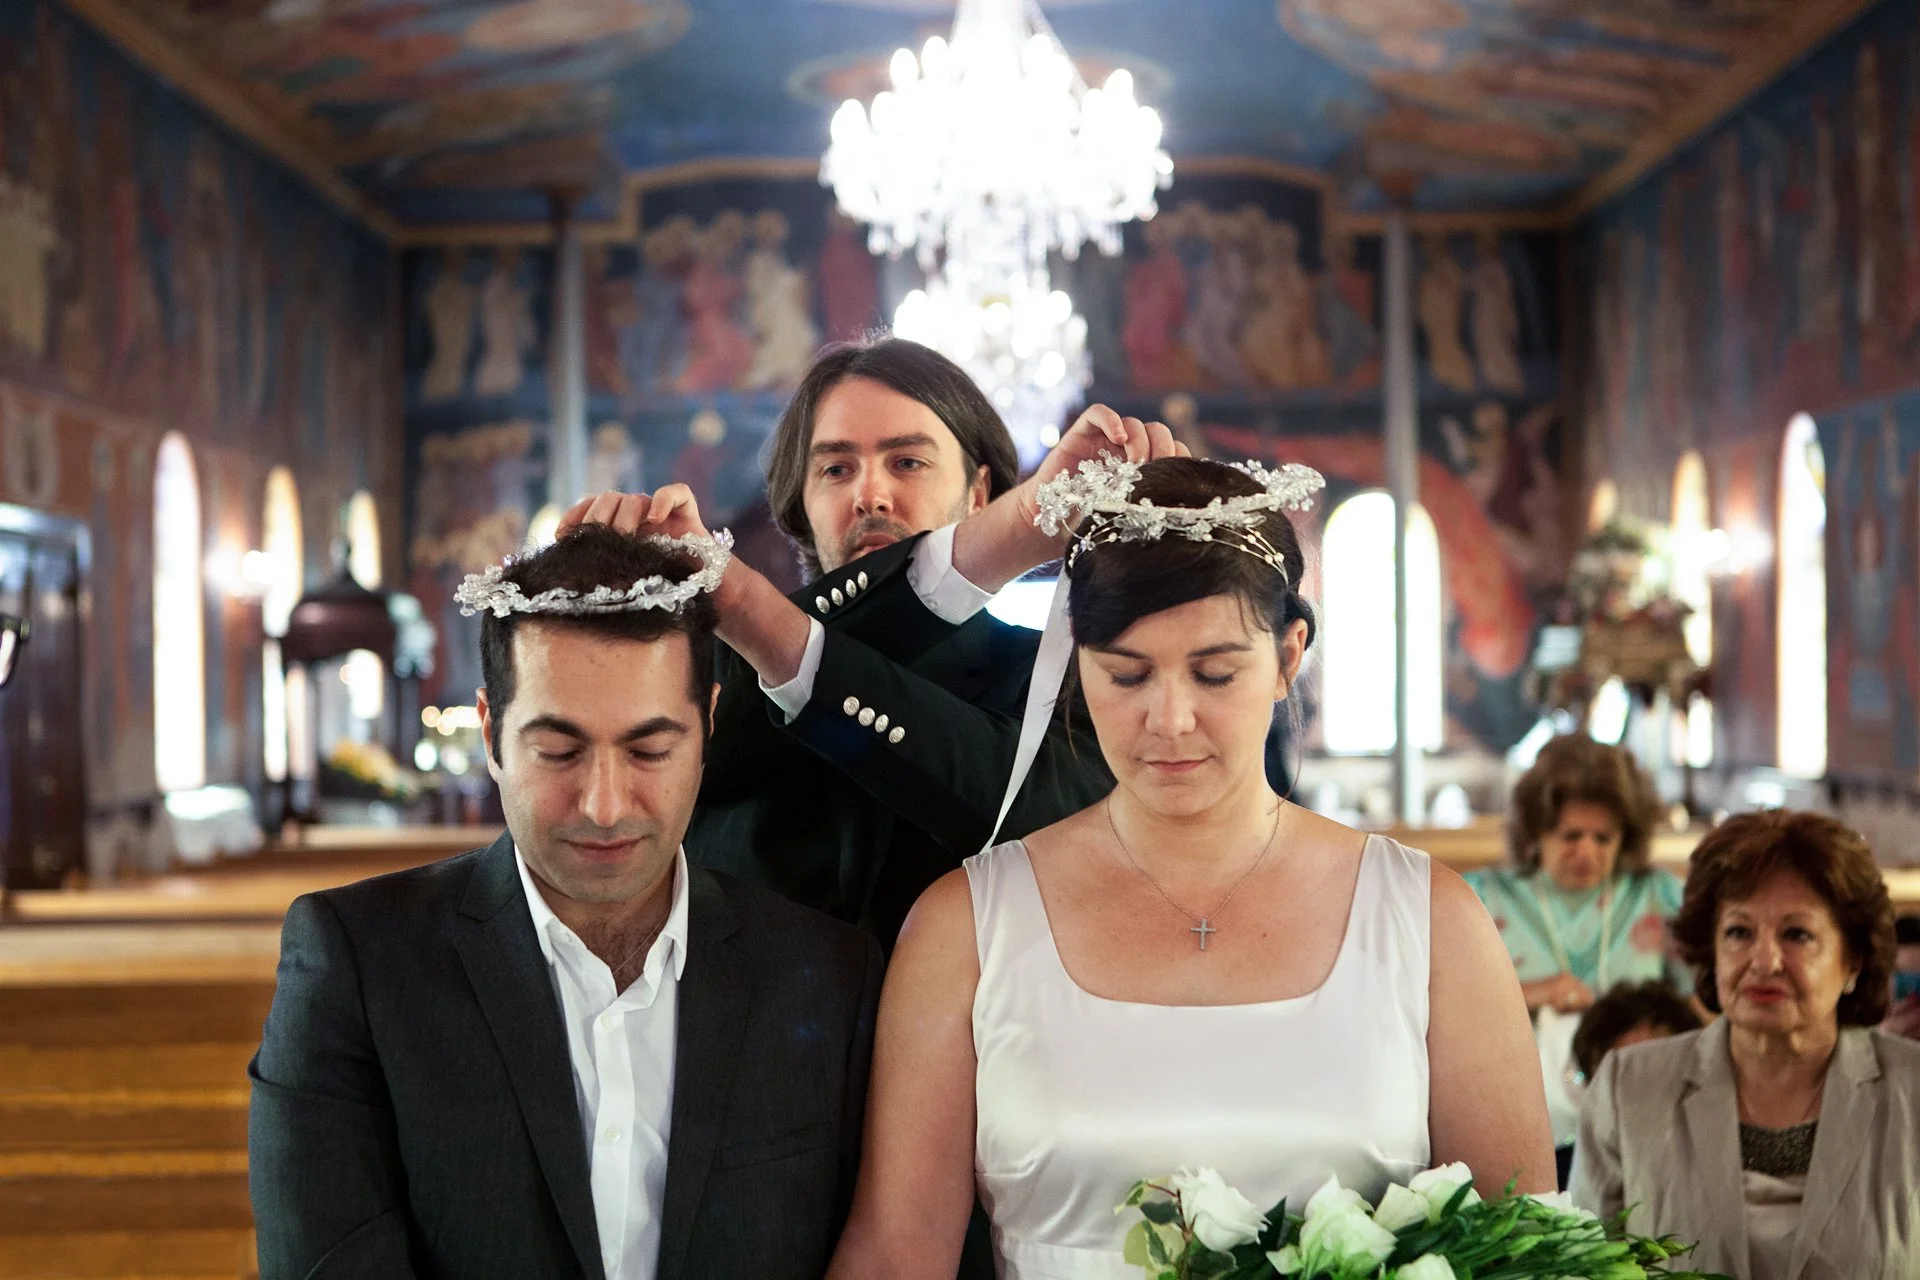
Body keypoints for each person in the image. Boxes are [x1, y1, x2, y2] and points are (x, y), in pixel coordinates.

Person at [827, 457, 1556, 1279]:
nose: (1170, 720)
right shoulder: (965, 927)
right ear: (1077, 663)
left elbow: (1523, 1251)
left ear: (1288, 657)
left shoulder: (1431, 922)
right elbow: (897, 1252)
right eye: (1126, 674)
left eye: (1215, 673)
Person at [249, 526, 882, 1280]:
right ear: (492, 733)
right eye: (559, 751)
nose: (606, 805)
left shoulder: (826, 974)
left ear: (709, 725)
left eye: (650, 750)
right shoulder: (354, 964)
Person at [562, 338, 1163, 945]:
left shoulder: (1061, 682)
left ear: (980, 492)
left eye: (907, 462)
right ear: (801, 501)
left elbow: (1050, 826)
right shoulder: (707, 679)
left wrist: (1013, 532)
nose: (868, 495)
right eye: (835, 469)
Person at [1571, 809, 1920, 1279]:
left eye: (1797, 934)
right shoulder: (1628, 1089)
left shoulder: (1912, 1093)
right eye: (1739, 932)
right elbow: (1582, 1269)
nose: (1764, 960)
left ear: (1853, 959)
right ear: (1710, 950)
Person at [1466, 734, 1685, 1144]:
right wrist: (1534, 993)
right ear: (1536, 832)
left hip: (1644, 1112)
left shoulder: (1658, 895)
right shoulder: (1480, 897)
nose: (1587, 852)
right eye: (1570, 836)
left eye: (1603, 838)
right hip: (1513, 1110)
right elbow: (1441, 1008)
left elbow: (1701, 1005)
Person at [1556, 979, 1703, 1187]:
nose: (1637, 1096)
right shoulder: (1557, 1183)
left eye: (1652, 1071)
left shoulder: (1722, 1161)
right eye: (1616, 1080)